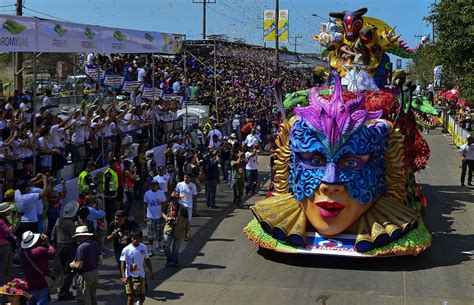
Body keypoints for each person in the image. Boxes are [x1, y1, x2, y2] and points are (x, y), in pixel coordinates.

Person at [19, 231, 56, 305]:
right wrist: (48, 243)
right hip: (42, 283)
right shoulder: (40, 250)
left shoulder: (22, 252)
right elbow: (52, 254)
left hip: (29, 284)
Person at [51, 201, 79, 301]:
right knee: (68, 270)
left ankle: (64, 290)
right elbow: (74, 237)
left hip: (59, 246)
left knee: (63, 269)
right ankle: (63, 292)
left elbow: (53, 233)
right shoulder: (70, 223)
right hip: (69, 247)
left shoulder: (59, 220)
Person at [120, 228, 154, 305]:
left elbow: (147, 260)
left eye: (137, 238)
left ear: (141, 238)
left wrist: (151, 272)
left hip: (141, 275)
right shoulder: (126, 249)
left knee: (142, 296)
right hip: (129, 276)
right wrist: (124, 276)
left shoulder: (144, 247)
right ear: (131, 238)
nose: (135, 240)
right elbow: (123, 263)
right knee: (130, 297)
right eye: (133, 238)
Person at [69, 226, 102, 305]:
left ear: (81, 236)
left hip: (85, 275)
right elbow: (100, 260)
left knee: (84, 299)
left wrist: (71, 264)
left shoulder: (81, 247)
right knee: (93, 296)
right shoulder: (95, 243)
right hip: (95, 272)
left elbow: (79, 265)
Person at [163, 195, 190, 267]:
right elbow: (163, 213)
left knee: (175, 249)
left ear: (178, 199)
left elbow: (187, 221)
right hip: (168, 229)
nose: (174, 200)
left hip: (179, 230)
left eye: (176, 199)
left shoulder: (183, 209)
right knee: (166, 246)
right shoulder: (168, 206)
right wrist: (167, 219)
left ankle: (175, 261)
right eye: (173, 199)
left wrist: (187, 233)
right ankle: (170, 259)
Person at [143, 180, 166, 256]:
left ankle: (159, 246)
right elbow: (145, 205)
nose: (154, 186)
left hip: (159, 216)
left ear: (157, 185)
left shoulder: (161, 193)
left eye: (155, 185)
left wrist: (163, 214)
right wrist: (145, 216)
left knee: (160, 233)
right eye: (152, 185)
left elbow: (163, 203)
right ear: (150, 186)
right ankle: (151, 249)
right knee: (150, 235)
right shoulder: (147, 193)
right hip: (150, 217)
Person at [0, 202, 14, 287]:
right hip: (4, 246)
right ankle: (3, 285)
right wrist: (12, 227)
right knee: (4, 266)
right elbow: (8, 231)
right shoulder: (1, 221)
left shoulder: (4, 220)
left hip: (4, 244)